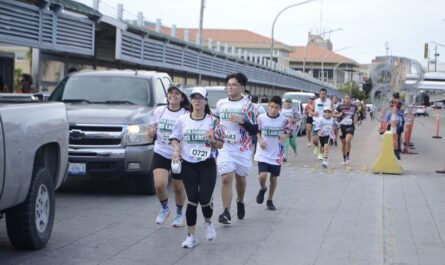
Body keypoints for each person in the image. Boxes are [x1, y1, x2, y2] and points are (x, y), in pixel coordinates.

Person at [170, 87, 225, 248]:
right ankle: (190, 236)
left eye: (200, 98)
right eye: (194, 97)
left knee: (205, 199)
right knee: (193, 200)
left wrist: (213, 140)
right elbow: (174, 137)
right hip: (188, 165)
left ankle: (209, 224)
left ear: (206, 101)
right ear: (191, 100)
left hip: (207, 164)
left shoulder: (214, 121)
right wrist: (176, 148)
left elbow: (220, 145)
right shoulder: (183, 120)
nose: (197, 100)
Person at [215, 72, 258, 225]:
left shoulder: (249, 106)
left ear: (242, 87)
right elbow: (216, 122)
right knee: (226, 178)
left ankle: (240, 201)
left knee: (240, 179)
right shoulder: (221, 104)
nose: (230, 87)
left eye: (234, 84)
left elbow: (254, 130)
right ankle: (226, 212)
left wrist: (243, 122)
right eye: (229, 84)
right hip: (225, 147)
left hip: (242, 148)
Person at [148, 84, 190, 226]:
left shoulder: (185, 114)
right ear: (167, 96)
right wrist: (151, 133)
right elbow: (150, 131)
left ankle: (179, 214)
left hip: (179, 155)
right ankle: (165, 209)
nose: (173, 95)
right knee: (160, 185)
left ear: (182, 97)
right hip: (161, 151)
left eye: (177, 93)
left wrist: (179, 149)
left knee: (178, 188)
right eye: (170, 93)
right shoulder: (159, 111)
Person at [255, 96, 292, 210]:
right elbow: (257, 131)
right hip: (263, 152)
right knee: (262, 176)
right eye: (271, 107)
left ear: (280, 109)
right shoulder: (261, 118)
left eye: (276, 108)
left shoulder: (283, 120)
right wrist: (260, 140)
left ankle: (270, 200)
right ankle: (263, 188)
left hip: (277, 154)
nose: (273, 109)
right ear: (268, 106)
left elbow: (290, 132)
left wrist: (284, 136)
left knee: (273, 178)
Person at [334, 95, 357, 165]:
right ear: (343, 99)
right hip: (342, 127)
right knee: (343, 143)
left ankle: (348, 156)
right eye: (345, 98)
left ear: (351, 99)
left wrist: (356, 119)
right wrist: (339, 115)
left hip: (350, 126)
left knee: (347, 141)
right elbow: (332, 114)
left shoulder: (354, 106)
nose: (347, 100)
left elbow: (356, 114)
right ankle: (344, 159)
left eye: (348, 98)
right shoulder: (340, 107)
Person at [312, 88, 332, 160]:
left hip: (325, 124)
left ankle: (320, 154)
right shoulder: (316, 101)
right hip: (316, 122)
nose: (323, 95)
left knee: (322, 141)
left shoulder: (329, 102)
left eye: (324, 94)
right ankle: (317, 147)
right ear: (319, 94)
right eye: (321, 94)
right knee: (314, 141)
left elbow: (332, 112)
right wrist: (313, 113)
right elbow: (310, 111)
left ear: (326, 94)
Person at [281, 95, 299, 160]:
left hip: (292, 129)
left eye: (289, 102)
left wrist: (294, 120)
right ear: (284, 102)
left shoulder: (293, 110)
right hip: (284, 129)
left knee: (292, 142)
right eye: (287, 102)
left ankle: (295, 150)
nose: (288, 103)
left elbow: (298, 118)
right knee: (286, 142)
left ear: (291, 103)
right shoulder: (281, 110)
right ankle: (284, 156)